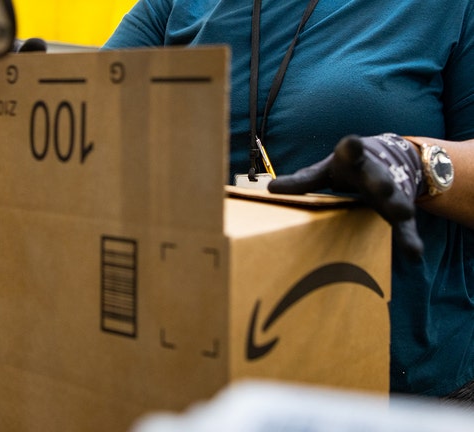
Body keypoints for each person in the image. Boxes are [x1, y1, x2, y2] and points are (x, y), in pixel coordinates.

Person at [103, 0, 474, 402]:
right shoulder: (175, 6)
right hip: (198, 364)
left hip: (398, 388)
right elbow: (96, 113)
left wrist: (416, 161)